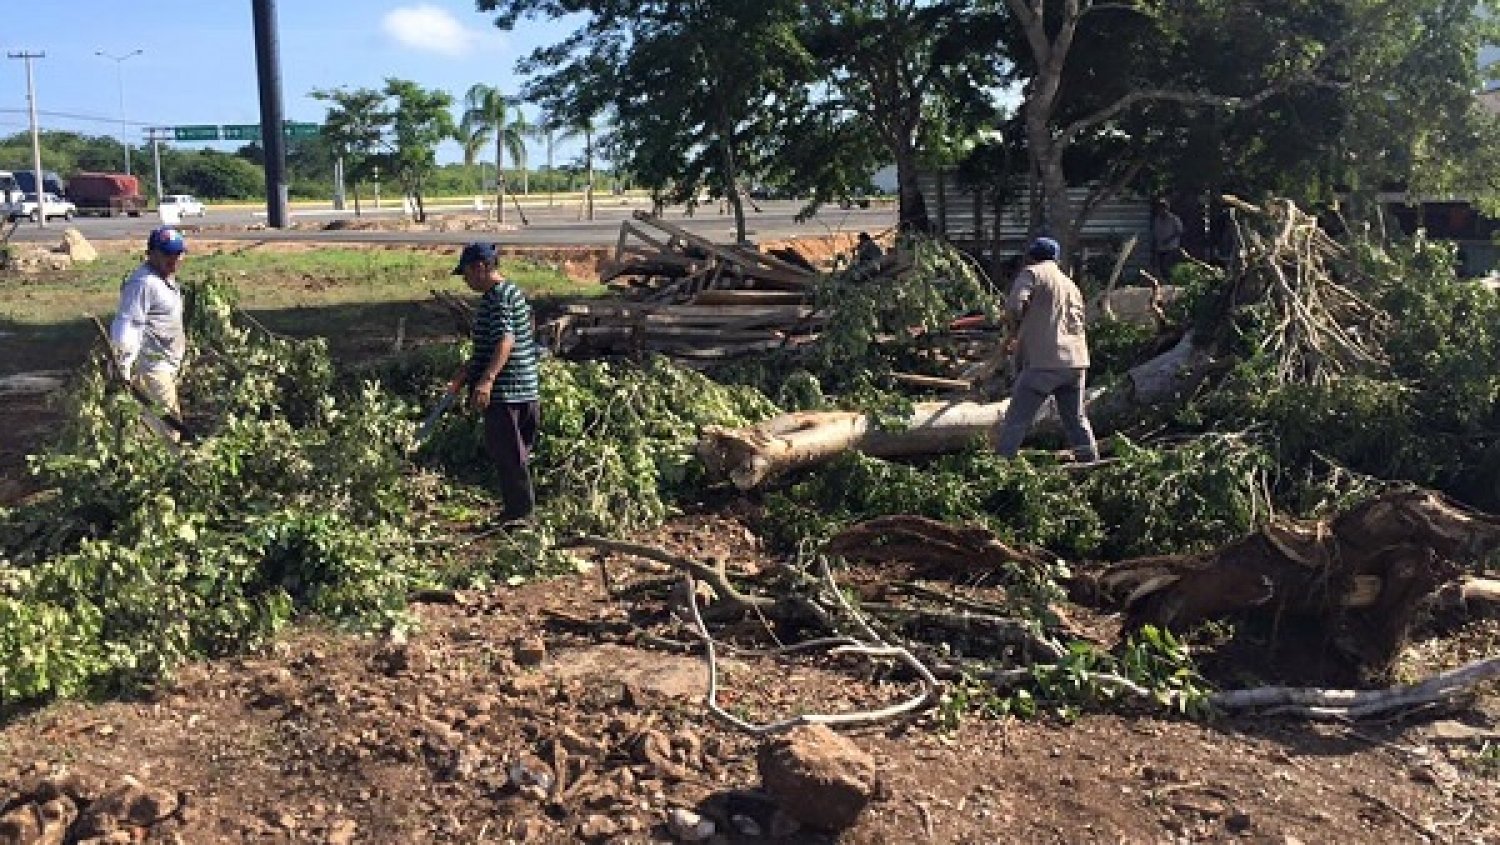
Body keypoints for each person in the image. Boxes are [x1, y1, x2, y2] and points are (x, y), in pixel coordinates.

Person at [445, 243, 542, 523]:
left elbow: (505, 340)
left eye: (466, 273)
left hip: (508, 392)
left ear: (480, 268)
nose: (465, 280)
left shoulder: (497, 298)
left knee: (509, 456)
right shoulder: (511, 293)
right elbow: (489, 347)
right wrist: (466, 374)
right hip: (525, 388)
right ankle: (518, 512)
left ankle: (521, 516)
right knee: (515, 454)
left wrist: (486, 380)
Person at [991, 236, 1099, 463]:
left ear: (1031, 256)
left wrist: (1013, 328)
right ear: (1056, 259)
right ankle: (1091, 464)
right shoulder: (1070, 284)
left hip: (1044, 362)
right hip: (1076, 362)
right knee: (1076, 420)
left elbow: (1014, 306)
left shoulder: (1032, 273)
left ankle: (999, 468)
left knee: (1016, 420)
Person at [110, 226, 188, 422]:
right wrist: (123, 366)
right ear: (151, 254)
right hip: (152, 367)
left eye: (178, 254)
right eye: (168, 254)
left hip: (166, 365)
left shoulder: (166, 279)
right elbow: (127, 323)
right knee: (170, 427)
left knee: (151, 427)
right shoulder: (144, 283)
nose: (175, 260)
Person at [1151, 197, 1184, 277]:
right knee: (1162, 267)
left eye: (1163, 207)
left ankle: (1171, 282)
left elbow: (1179, 231)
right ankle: (1165, 283)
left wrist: (1169, 239)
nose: (1161, 209)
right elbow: (1155, 233)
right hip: (1160, 248)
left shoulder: (1174, 219)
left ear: (1167, 208)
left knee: (1169, 267)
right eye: (1159, 207)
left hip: (1171, 247)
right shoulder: (1157, 220)